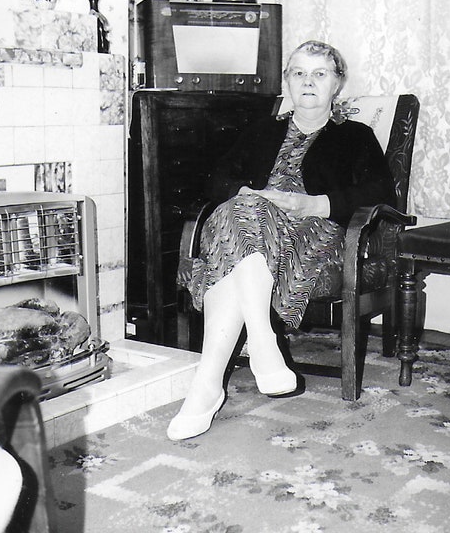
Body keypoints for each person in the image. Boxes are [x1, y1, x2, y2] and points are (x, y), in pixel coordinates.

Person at [167, 40, 396, 441]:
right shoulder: (262, 130)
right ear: (287, 81)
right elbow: (216, 179)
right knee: (243, 214)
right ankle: (261, 339)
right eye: (299, 73)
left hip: (311, 227)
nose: (308, 82)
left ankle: (207, 387)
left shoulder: (356, 136)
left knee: (234, 241)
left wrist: (315, 203)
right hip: (246, 221)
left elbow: (381, 193)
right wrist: (247, 195)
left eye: (320, 74)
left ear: (337, 83)